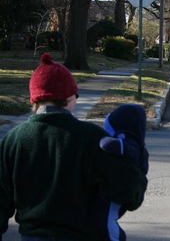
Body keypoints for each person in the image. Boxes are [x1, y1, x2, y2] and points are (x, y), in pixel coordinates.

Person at [0, 53, 147, 240]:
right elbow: (130, 194)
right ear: (69, 96)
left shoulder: (12, 140)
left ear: (35, 99)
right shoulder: (93, 138)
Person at [95, 104, 149, 241]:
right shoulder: (136, 145)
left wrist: (96, 138)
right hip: (116, 191)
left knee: (106, 221)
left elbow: (106, 144)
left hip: (116, 195)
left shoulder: (129, 145)